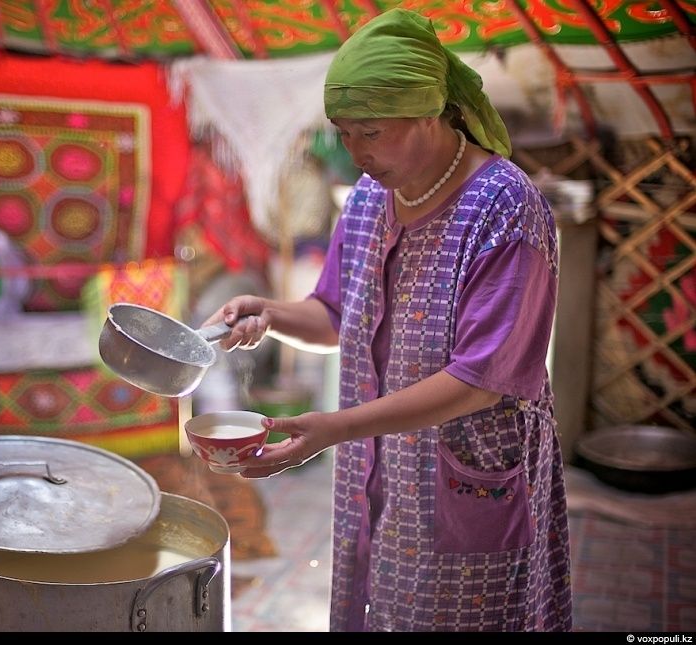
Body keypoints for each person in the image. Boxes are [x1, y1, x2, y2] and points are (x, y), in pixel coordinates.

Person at [203, 8, 572, 632]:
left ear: (431, 112)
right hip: (379, 478)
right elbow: (337, 317)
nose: (356, 152)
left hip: (464, 475)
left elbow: (481, 379)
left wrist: (336, 428)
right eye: (344, 134)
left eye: (371, 132)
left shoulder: (505, 211)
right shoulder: (372, 198)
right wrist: (270, 312)